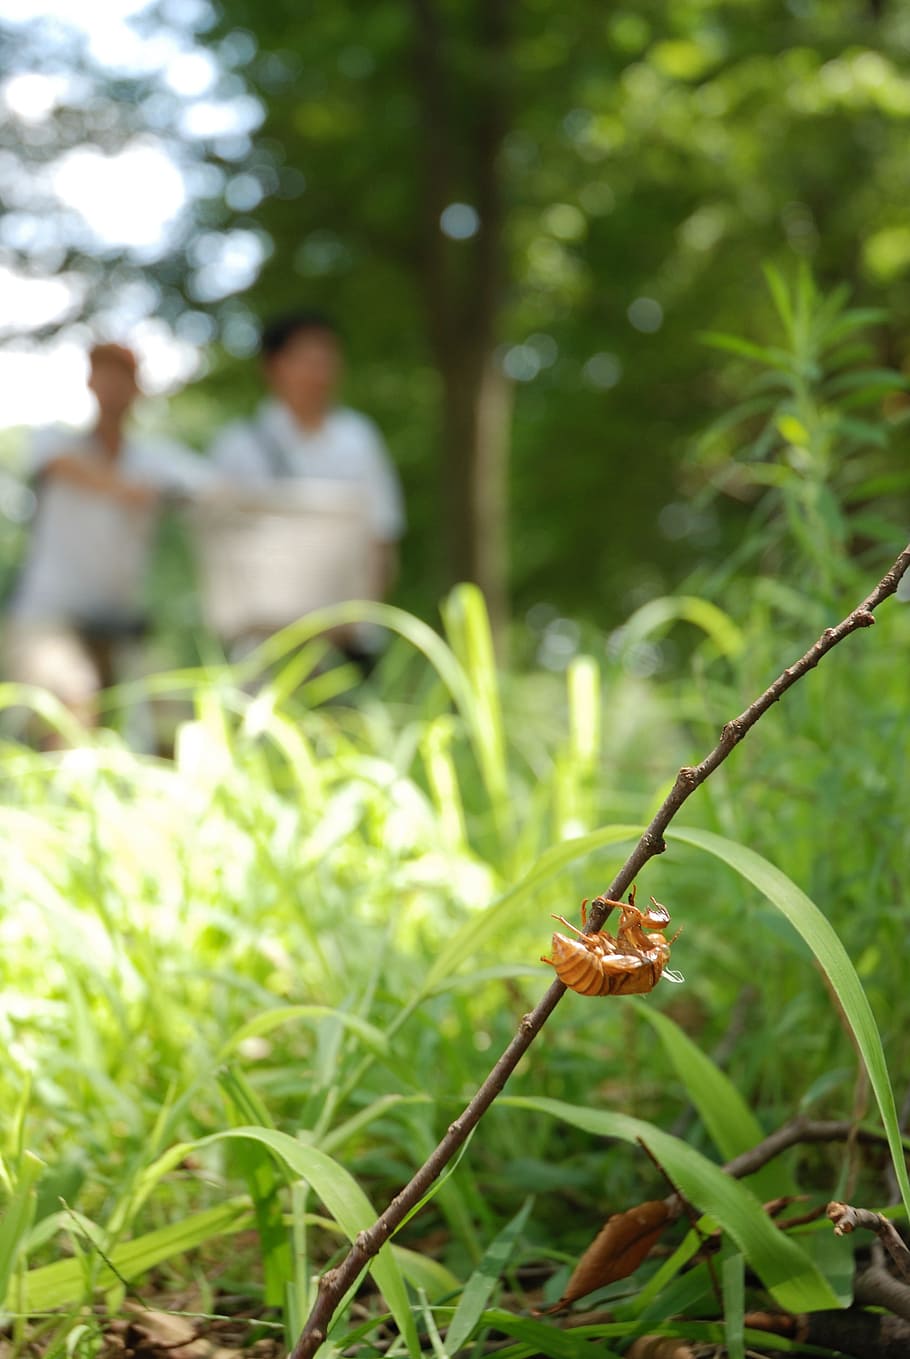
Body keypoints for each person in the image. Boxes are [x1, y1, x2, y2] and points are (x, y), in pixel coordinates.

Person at [4, 342, 211, 730]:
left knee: (175, 718)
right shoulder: (55, 441)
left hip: (123, 622)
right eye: (104, 375)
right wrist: (131, 490)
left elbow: (213, 489)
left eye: (123, 376)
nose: (113, 386)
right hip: (47, 616)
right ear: (90, 383)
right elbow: (61, 467)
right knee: (70, 695)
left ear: (139, 388)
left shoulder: (158, 459)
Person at [206, 309, 405, 668]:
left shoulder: (359, 440)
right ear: (273, 366)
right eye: (307, 358)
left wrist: (361, 614)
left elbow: (382, 535)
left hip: (346, 643)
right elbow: (218, 542)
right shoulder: (238, 447)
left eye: (328, 357)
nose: (321, 370)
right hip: (261, 643)